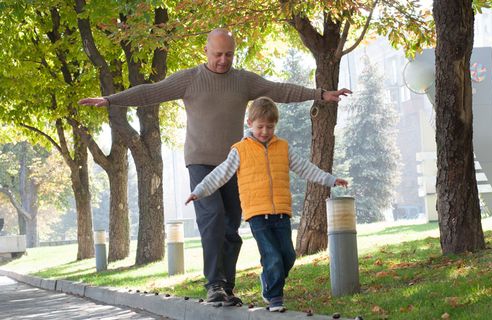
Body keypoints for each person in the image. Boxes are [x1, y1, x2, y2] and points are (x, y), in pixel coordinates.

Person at [78, 28, 351, 305]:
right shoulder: (190, 79)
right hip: (200, 161)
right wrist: (112, 100)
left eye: (229, 54)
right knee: (213, 220)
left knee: (231, 225)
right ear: (205, 51)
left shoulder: (243, 81)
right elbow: (151, 93)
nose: (223, 60)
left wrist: (320, 94)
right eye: (218, 54)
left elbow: (279, 89)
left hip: (236, 162)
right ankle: (214, 285)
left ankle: (227, 286)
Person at [185, 97, 348, 312]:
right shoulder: (240, 150)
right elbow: (220, 174)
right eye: (260, 126)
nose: (264, 131)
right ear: (249, 123)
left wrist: (330, 179)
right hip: (257, 214)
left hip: (281, 213)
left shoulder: (283, 147)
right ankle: (274, 298)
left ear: (275, 125)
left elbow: (306, 168)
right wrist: (199, 191)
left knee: (288, 256)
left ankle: (269, 282)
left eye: (269, 127)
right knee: (272, 256)